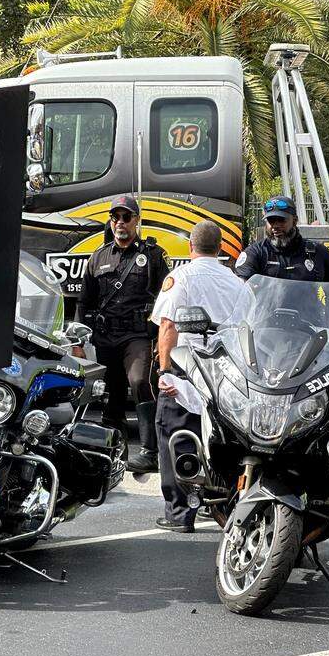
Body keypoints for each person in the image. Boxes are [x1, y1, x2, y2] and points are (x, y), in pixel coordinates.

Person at [150, 220, 252, 532]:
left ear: (190, 246)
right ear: (220, 248)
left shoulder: (180, 277)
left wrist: (164, 371)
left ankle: (180, 514)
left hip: (186, 368)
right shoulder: (238, 284)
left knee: (176, 436)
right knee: (223, 441)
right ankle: (223, 506)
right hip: (227, 373)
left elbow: (168, 325)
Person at [76, 193, 169, 473]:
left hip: (137, 335)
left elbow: (167, 298)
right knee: (110, 393)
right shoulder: (98, 256)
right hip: (106, 336)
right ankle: (115, 454)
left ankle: (150, 452)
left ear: (136, 220)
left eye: (126, 217)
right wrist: (77, 341)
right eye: (115, 217)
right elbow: (84, 301)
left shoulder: (152, 256)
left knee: (140, 381)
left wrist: (162, 338)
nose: (120, 222)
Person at [234, 194, 329, 286]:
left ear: (295, 221)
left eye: (281, 220)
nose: (275, 226)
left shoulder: (319, 253)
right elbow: (241, 289)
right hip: (267, 306)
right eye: (271, 220)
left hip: (306, 306)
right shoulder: (255, 253)